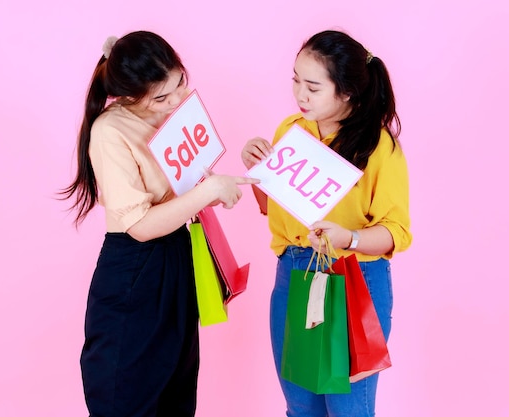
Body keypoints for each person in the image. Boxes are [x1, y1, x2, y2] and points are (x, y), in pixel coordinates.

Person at [61, 31, 259, 417]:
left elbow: (180, 191)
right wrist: (206, 192)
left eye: (180, 83)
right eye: (161, 98)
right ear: (129, 96)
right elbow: (139, 226)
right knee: (126, 393)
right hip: (135, 268)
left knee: (176, 391)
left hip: (177, 257)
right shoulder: (110, 131)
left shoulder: (172, 116)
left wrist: (212, 188)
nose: (177, 100)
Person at [241, 30, 412, 417]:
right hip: (294, 272)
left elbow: (396, 232)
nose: (300, 95)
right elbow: (273, 208)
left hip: (353, 280)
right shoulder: (291, 131)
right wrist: (257, 172)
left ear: (347, 92)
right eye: (296, 81)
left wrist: (348, 237)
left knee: (348, 409)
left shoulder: (379, 148)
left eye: (313, 87)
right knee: (300, 406)